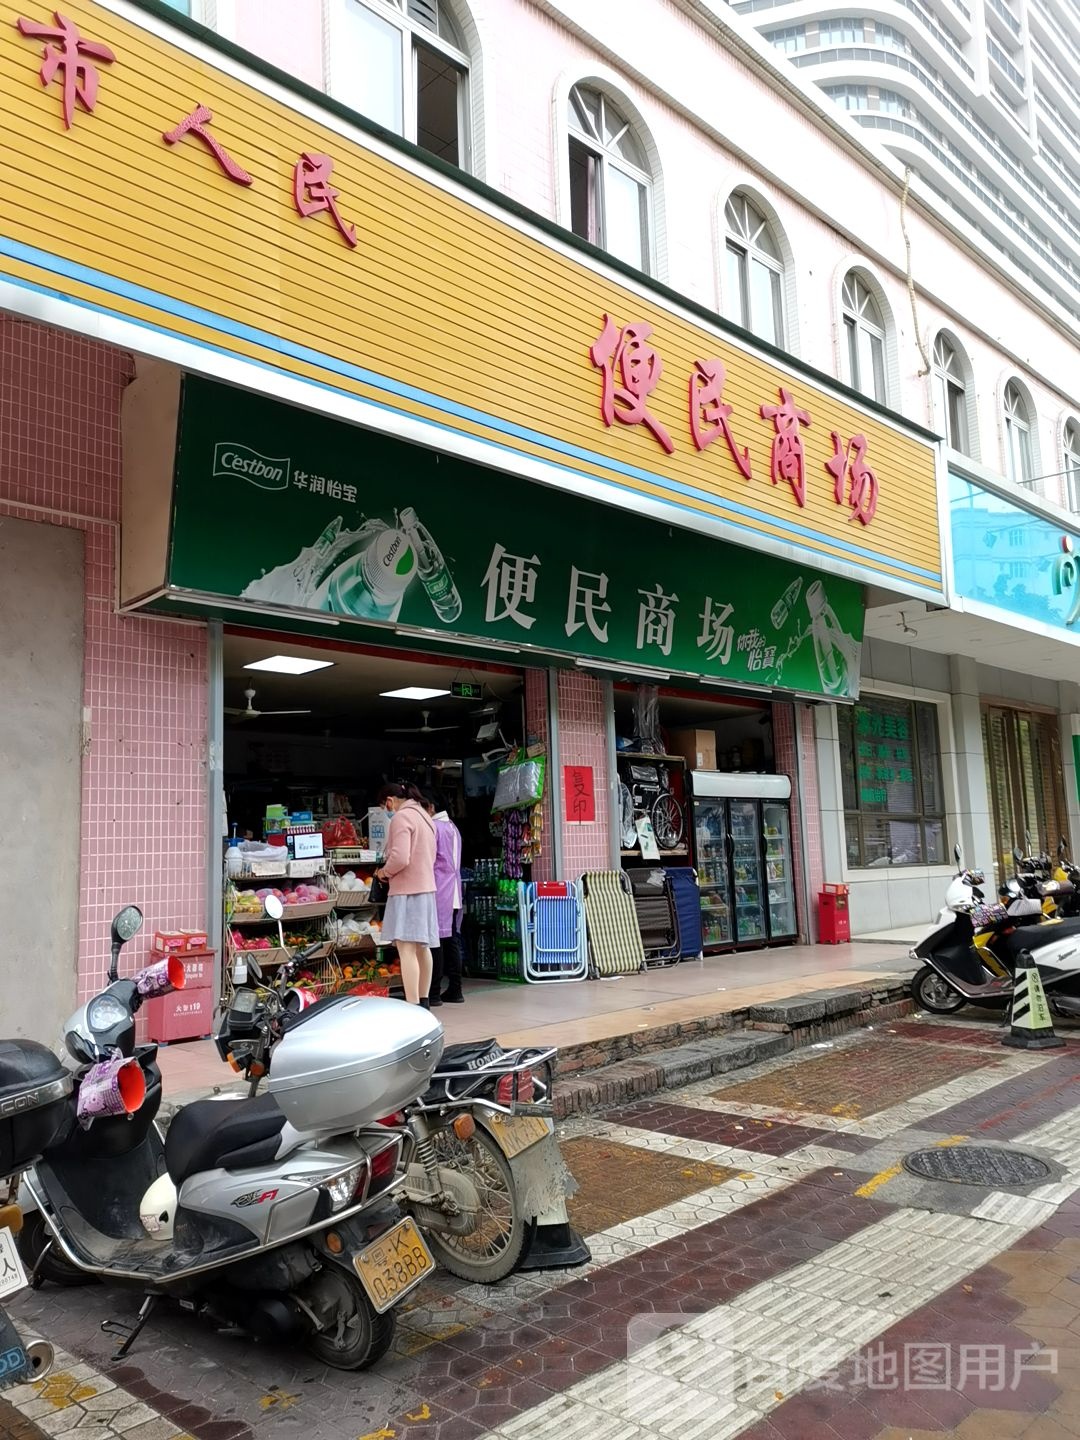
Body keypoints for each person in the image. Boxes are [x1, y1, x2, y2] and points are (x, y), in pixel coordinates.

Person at [374, 782, 437, 1007]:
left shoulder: (402, 818)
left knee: (406, 948)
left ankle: (412, 1006)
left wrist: (383, 872)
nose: (386, 811)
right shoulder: (425, 816)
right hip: (426, 888)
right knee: (422, 947)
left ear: (390, 801)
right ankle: (424, 1000)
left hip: (407, 890)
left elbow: (400, 857)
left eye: (385, 806)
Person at [422, 793, 465, 1006]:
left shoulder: (434, 828)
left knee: (435, 941)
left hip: (439, 890)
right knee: (452, 941)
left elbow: (428, 860)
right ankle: (456, 989)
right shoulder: (453, 828)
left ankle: (434, 992)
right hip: (455, 889)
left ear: (430, 807)